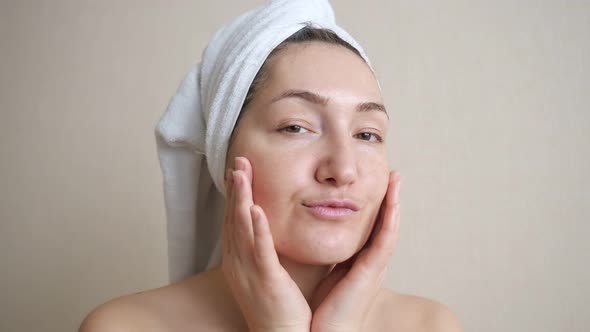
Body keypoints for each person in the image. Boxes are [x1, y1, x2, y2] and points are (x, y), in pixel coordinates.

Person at [80, 2, 462, 331]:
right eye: (296, 127)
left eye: (366, 134)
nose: (343, 169)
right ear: (224, 154)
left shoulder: (430, 325)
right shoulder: (126, 326)